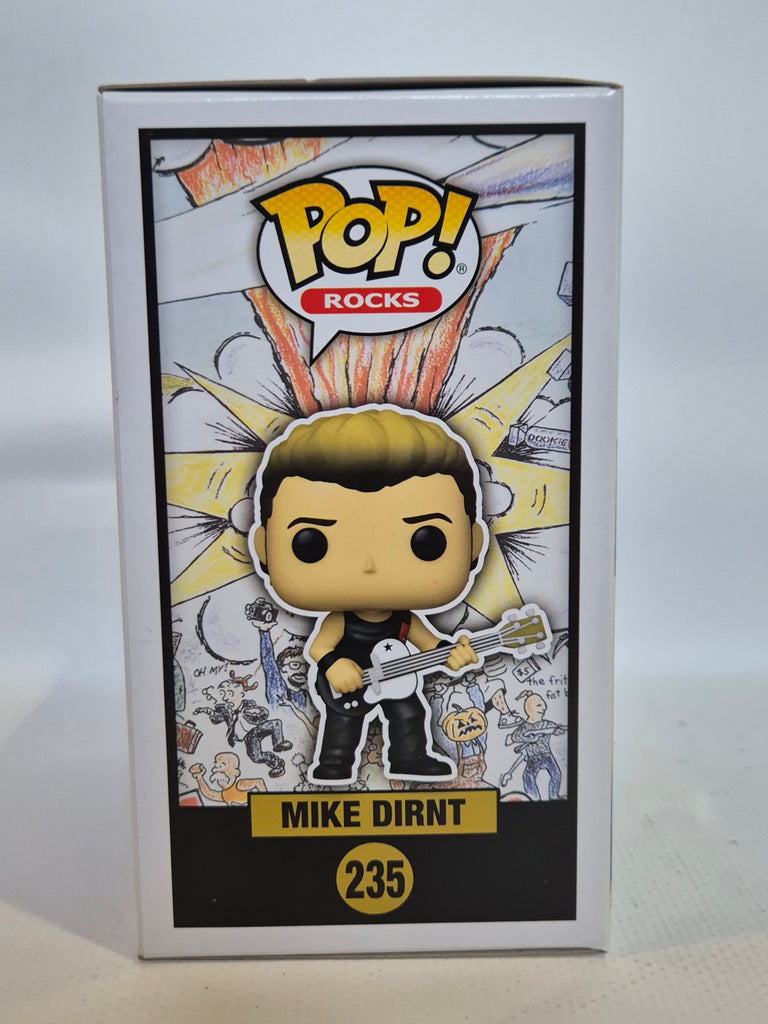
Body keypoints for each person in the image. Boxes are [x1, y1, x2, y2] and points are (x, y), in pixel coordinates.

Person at [249, 405, 488, 784]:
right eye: (311, 543)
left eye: (426, 541)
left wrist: (452, 653)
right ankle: (334, 763)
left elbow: (430, 644)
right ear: (264, 548)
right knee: (342, 722)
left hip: (395, 681)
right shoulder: (339, 619)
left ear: (473, 543)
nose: (370, 565)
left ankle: (411, 757)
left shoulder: (405, 620)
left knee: (410, 712)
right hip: (347, 682)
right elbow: (319, 647)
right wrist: (333, 665)